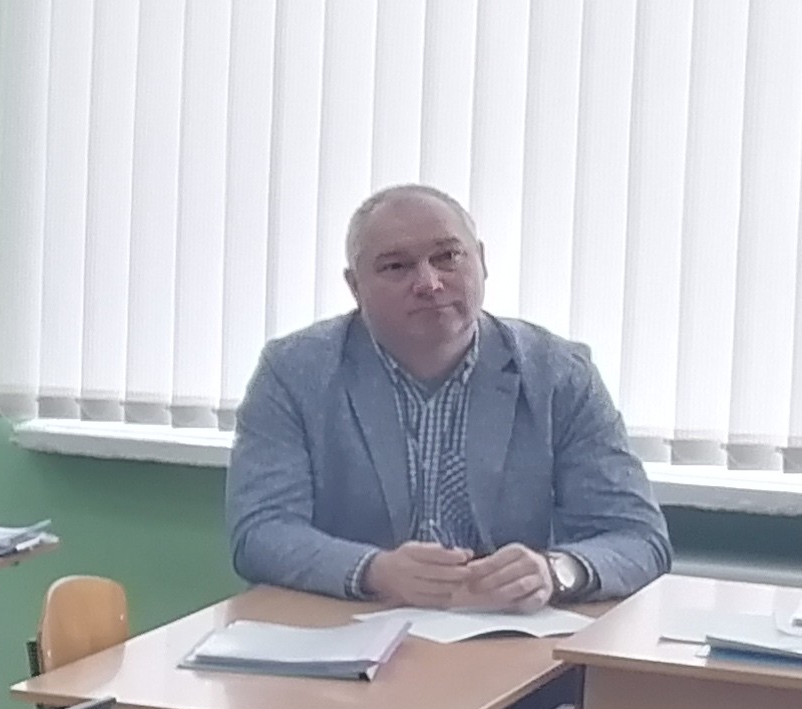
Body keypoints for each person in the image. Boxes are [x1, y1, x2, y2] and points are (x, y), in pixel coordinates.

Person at [228, 185, 670, 608]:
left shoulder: (558, 374)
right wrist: (373, 571)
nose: (429, 282)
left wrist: (555, 572)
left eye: (448, 257)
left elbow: (638, 537)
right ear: (355, 286)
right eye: (396, 267)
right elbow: (261, 532)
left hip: (510, 633)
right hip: (349, 629)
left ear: (482, 261)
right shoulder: (295, 372)